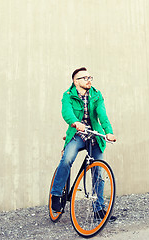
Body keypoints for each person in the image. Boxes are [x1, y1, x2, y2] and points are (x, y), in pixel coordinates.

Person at [50, 67, 117, 220]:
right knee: (67, 159)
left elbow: (102, 114)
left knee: (99, 172)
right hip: (77, 134)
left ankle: (98, 209)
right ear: (76, 81)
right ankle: (56, 193)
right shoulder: (68, 96)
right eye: (85, 78)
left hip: (94, 135)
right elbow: (66, 112)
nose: (89, 80)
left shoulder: (96, 94)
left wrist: (108, 131)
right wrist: (74, 122)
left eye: (90, 77)